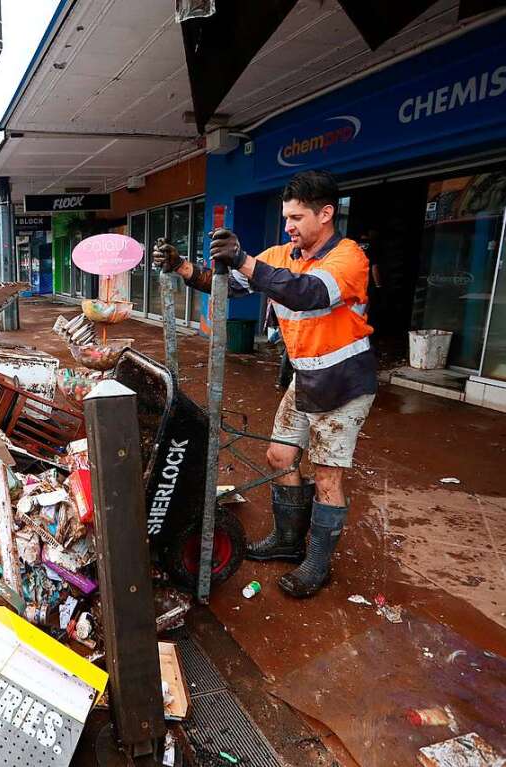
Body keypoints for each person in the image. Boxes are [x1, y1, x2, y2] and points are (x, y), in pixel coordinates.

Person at [155, 170, 376, 598]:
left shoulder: (348, 258)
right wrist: (183, 267)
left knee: (327, 476)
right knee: (279, 456)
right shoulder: (282, 254)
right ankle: (288, 541)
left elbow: (307, 293)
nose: (289, 226)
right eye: (286, 218)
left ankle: (317, 563)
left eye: (296, 217)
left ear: (326, 214)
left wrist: (246, 260)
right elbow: (227, 283)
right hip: (307, 379)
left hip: (345, 386)